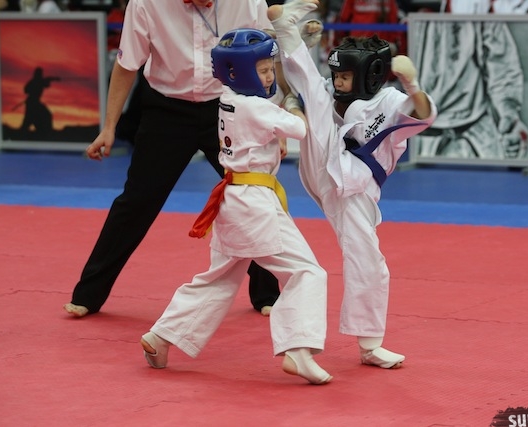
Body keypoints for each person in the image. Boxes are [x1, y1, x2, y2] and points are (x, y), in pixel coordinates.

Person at [62, 0, 284, 318]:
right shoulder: (146, 3)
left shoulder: (247, 1)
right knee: (137, 201)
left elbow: (268, 62)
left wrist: (275, 124)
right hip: (166, 110)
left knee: (254, 196)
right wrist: (109, 126)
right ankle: (89, 293)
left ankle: (267, 293)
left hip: (230, 106)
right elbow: (127, 64)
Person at [140, 28, 332, 385]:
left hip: (234, 200)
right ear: (240, 71)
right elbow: (300, 129)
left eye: (270, 68)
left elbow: (266, 124)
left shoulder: (228, 97)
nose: (270, 76)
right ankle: (298, 349)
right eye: (263, 70)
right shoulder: (255, 107)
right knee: (307, 271)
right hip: (254, 204)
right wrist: (295, 102)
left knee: (219, 279)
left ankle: (161, 336)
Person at [267, 0, 437, 369]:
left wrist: (412, 83)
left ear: (369, 75)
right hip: (323, 165)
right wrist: (298, 61)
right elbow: (300, 83)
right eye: (337, 74)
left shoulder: (391, 100)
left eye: (345, 76)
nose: (339, 81)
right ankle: (286, 29)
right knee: (313, 92)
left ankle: (370, 344)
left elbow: (425, 115)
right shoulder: (330, 89)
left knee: (368, 259)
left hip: (355, 187)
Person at [406, 0, 528, 159]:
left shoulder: (483, 10)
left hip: (474, 129)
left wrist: (509, 115)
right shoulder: (416, 19)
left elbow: (502, 67)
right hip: (425, 131)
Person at [19, 67, 60, 136]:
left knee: (30, 119)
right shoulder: (35, 81)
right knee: (32, 119)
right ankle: (46, 132)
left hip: (33, 102)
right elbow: (26, 90)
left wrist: (53, 79)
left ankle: (43, 131)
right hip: (33, 103)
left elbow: (46, 84)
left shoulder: (35, 81)